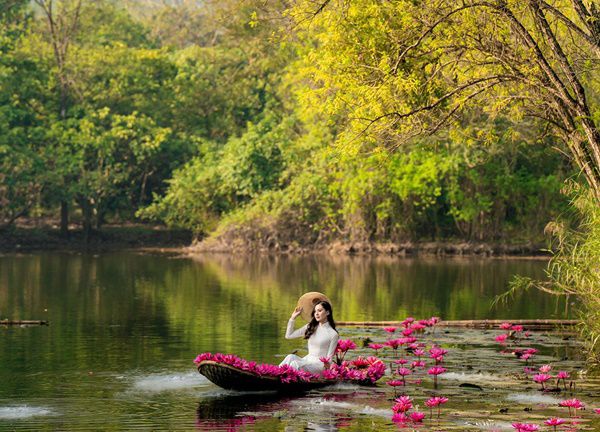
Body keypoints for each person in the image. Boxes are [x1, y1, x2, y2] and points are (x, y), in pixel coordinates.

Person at [279, 301, 339, 373]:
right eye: (315, 311)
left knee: (295, 364)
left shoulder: (333, 334)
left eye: (319, 311)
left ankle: (284, 379)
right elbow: (288, 336)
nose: (316, 313)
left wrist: (327, 367)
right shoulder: (310, 327)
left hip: (319, 366)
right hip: (307, 360)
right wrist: (292, 318)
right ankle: (275, 374)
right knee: (290, 357)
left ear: (327, 312)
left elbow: (329, 359)